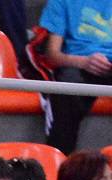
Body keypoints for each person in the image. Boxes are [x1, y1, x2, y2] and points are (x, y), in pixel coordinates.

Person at [39, 0, 112, 154]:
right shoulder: (61, 2)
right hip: (78, 65)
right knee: (67, 90)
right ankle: (60, 162)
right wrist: (84, 62)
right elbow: (52, 55)